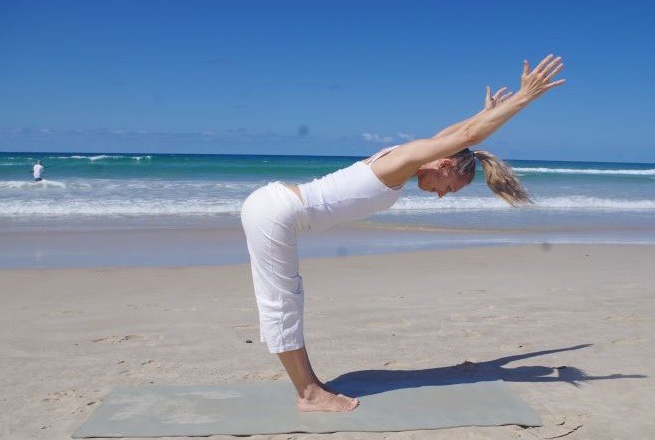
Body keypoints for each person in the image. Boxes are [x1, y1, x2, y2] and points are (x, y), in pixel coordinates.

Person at [240, 54, 565, 412]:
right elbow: (466, 136)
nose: (441, 195)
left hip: (275, 209)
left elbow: (454, 137)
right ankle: (309, 394)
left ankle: (310, 386)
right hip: (276, 214)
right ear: (444, 165)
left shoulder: (408, 157)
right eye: (449, 187)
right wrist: (524, 97)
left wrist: (485, 113)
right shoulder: (403, 161)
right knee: (282, 302)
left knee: (288, 298)